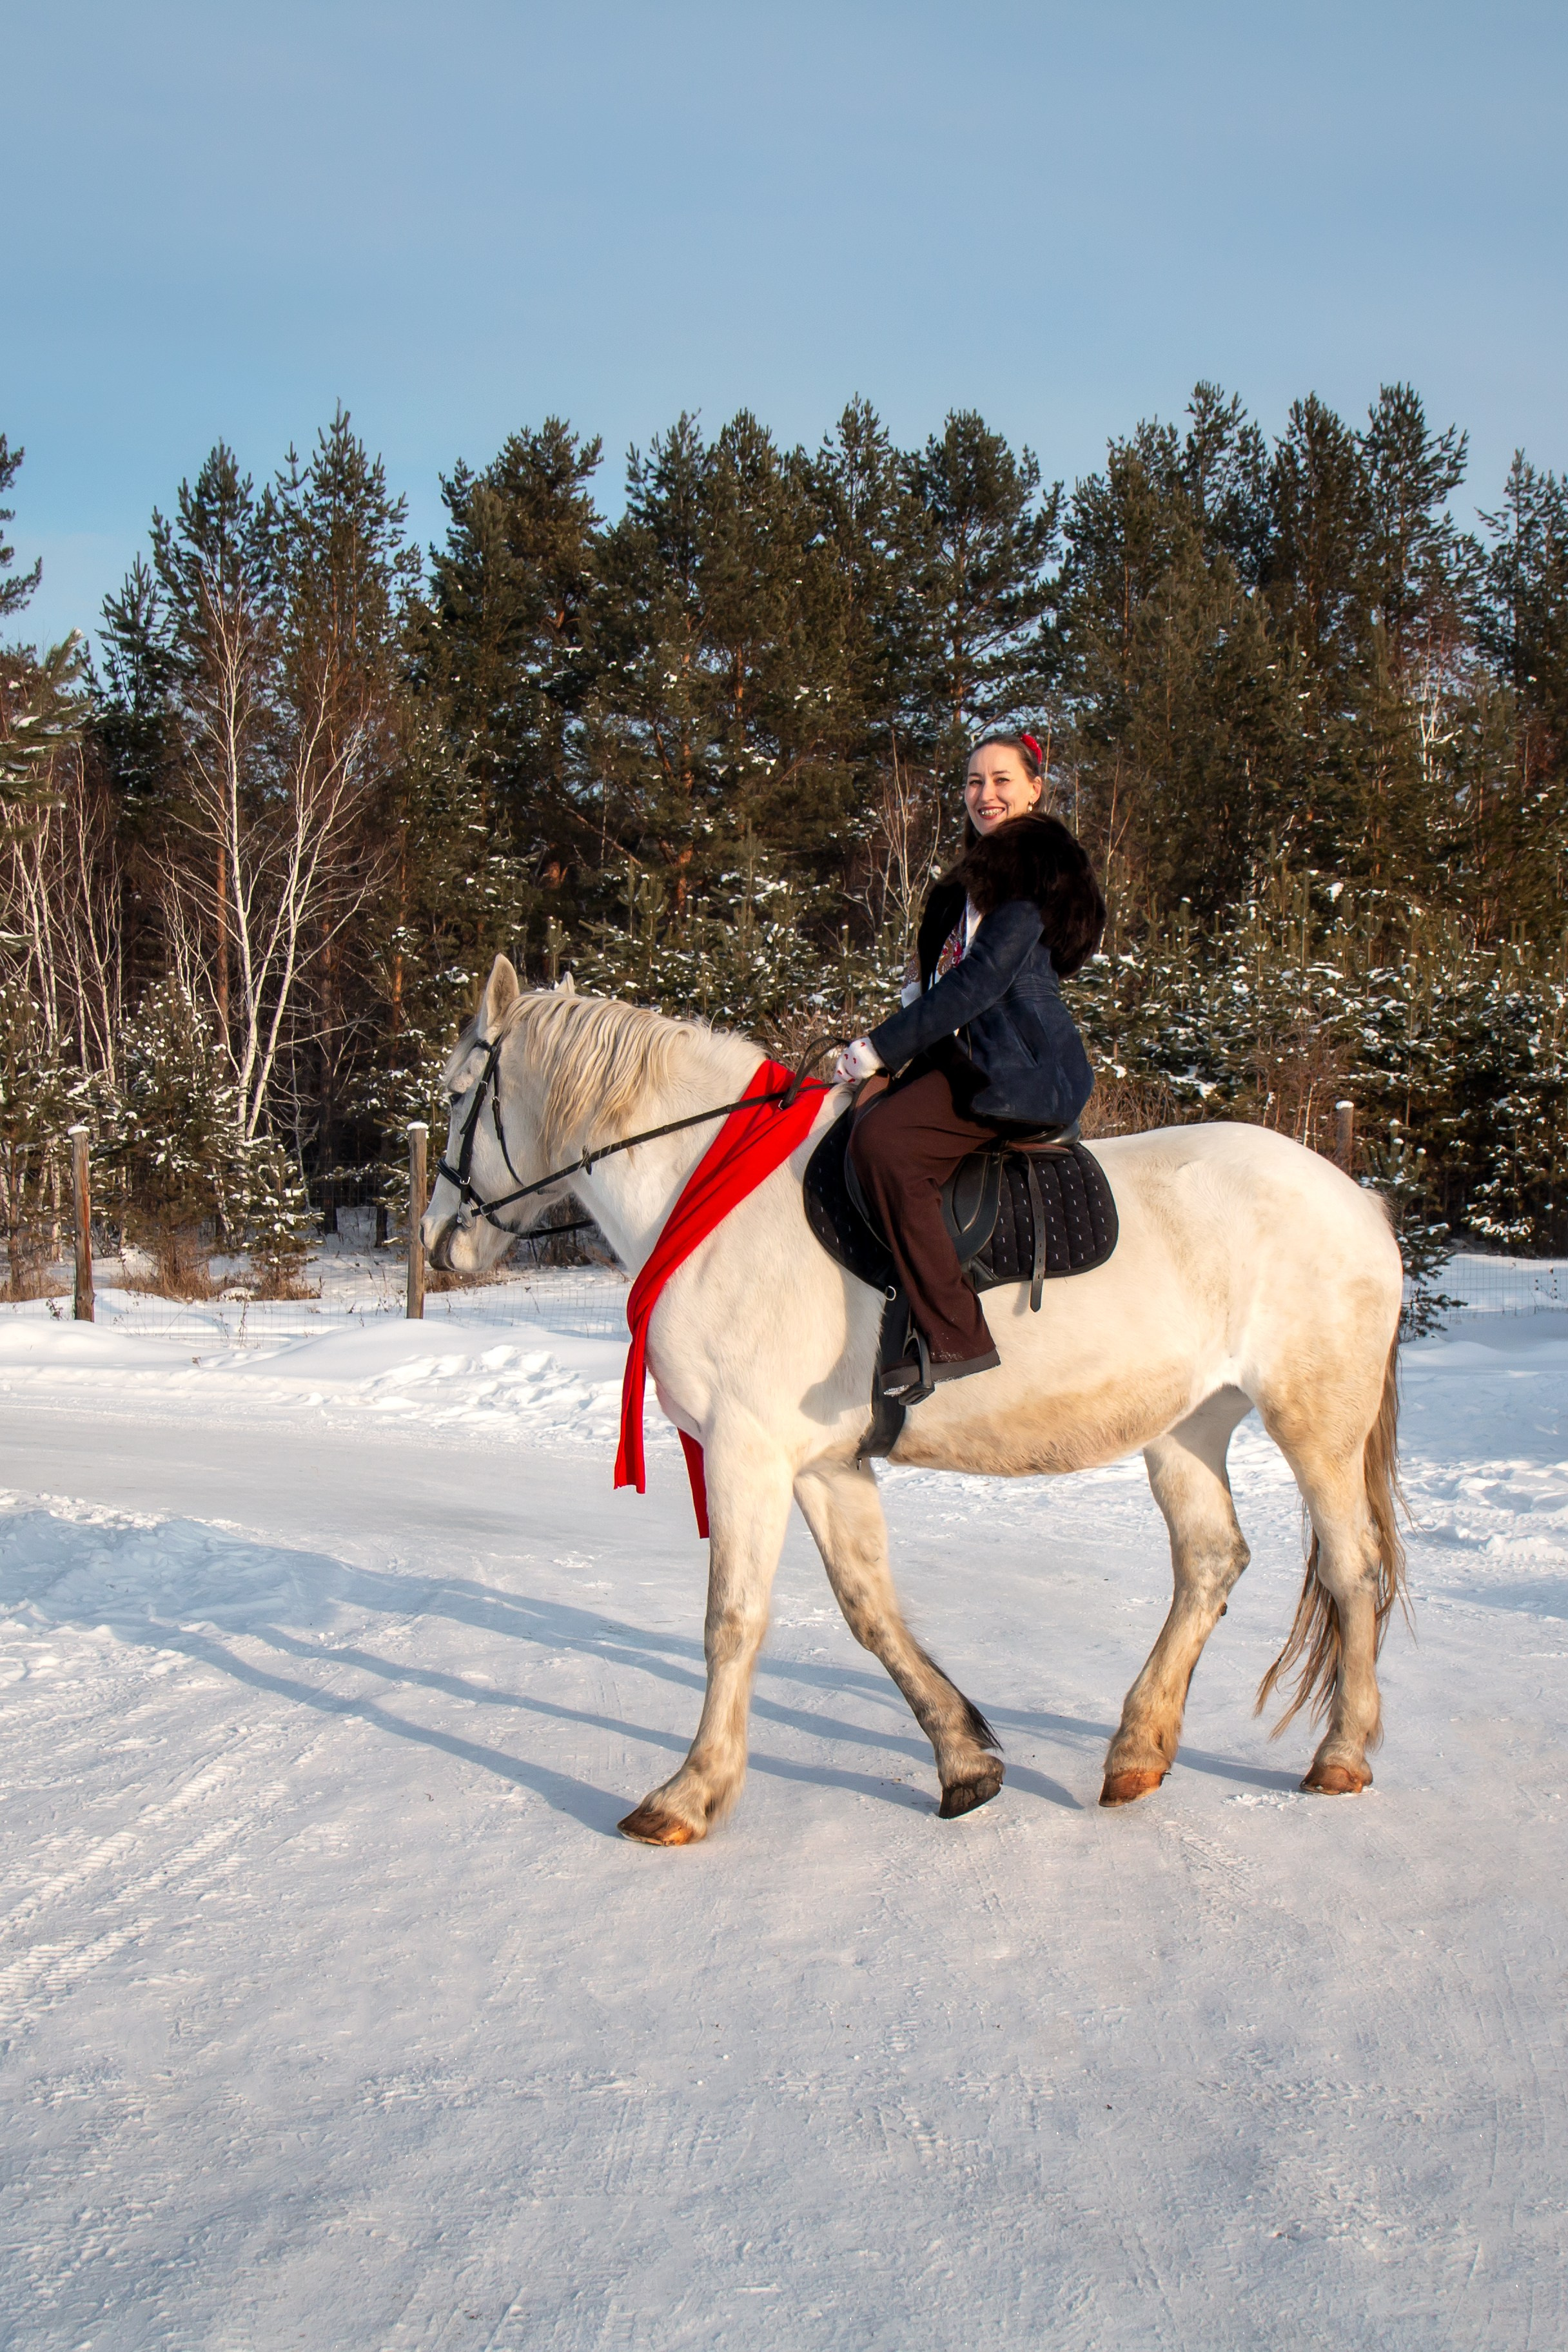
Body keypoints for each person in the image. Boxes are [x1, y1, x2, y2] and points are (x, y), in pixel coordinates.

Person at [832, 732, 1106, 1386]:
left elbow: (981, 983)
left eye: (1002, 780)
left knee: (887, 1146)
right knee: (845, 1119)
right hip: (962, 1055)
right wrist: (893, 1027)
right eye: (973, 782)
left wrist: (881, 1046)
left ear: (1035, 788)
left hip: (1013, 1065)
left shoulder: (1034, 872)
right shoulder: (974, 883)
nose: (985, 795)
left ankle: (953, 1332)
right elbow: (941, 977)